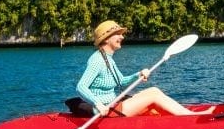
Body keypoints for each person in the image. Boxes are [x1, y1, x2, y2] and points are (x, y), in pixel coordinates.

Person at [76, 20, 214, 117]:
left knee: (154, 90)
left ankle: (182, 114)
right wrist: (98, 104)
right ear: (106, 39)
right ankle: (190, 117)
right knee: (153, 96)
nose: (122, 36)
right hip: (107, 110)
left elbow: (121, 81)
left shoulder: (108, 59)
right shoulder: (97, 60)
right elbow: (81, 86)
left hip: (115, 105)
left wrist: (138, 74)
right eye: (118, 34)